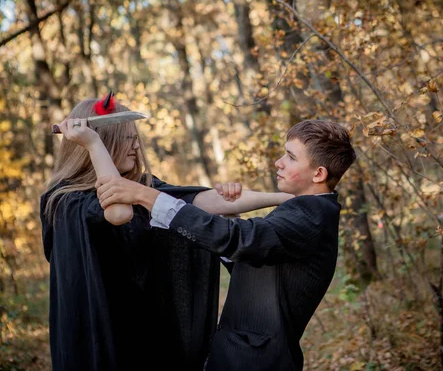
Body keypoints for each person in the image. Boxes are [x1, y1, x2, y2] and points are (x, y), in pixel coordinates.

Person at [40, 95, 292, 371]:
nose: (136, 145)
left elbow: (203, 202)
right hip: (101, 335)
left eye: (135, 137)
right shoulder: (66, 200)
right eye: (126, 138)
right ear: (103, 142)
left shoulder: (139, 187)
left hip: (145, 330)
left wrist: (285, 198)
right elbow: (119, 213)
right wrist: (92, 142)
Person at [95, 119, 357, 370]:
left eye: (290, 157)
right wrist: (225, 214)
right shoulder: (307, 210)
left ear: (319, 173)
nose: (278, 162)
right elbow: (257, 261)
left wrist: (146, 195)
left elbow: (242, 239)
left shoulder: (310, 215)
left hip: (255, 361)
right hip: (243, 355)